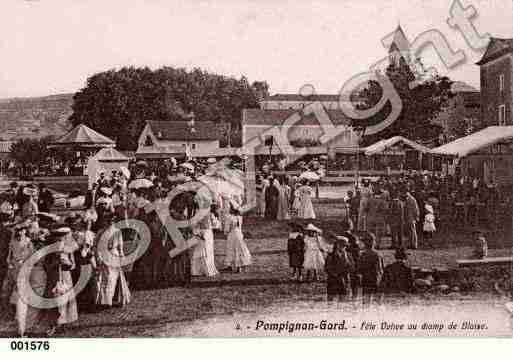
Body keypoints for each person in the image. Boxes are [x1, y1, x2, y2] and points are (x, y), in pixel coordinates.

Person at [44, 227, 78, 336]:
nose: (60, 241)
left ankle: (63, 324)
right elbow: (46, 265)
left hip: (65, 276)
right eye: (58, 238)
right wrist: (55, 263)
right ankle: (53, 325)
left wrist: (67, 264)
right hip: (54, 277)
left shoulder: (68, 249)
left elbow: (73, 265)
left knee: (65, 300)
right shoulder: (50, 250)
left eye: (62, 238)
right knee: (53, 300)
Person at [96, 218, 131, 307]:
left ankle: (119, 298)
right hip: (105, 255)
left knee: (115, 277)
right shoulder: (101, 232)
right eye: (107, 221)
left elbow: (120, 245)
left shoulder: (117, 231)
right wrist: (99, 256)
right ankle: (106, 300)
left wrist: (122, 256)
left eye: (111, 221)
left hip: (114, 255)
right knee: (106, 278)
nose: (109, 223)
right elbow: (97, 245)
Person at [223, 201, 252, 273]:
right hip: (239, 234)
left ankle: (229, 265)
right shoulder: (239, 217)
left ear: (232, 209)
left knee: (230, 249)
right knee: (239, 249)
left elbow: (227, 229)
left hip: (232, 234)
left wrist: (226, 233)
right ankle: (239, 267)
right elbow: (240, 227)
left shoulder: (229, 218)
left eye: (230, 208)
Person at [325, 237, 355, 302]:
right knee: (330, 301)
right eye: (341, 245)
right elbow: (327, 268)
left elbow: (352, 268)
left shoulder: (349, 255)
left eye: (344, 246)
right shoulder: (331, 255)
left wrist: (347, 261)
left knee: (343, 301)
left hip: (344, 280)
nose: (342, 247)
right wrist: (335, 274)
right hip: (333, 281)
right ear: (337, 245)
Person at [358, 232, 384, 305]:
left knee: (366, 304)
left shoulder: (362, 255)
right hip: (376, 281)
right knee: (378, 304)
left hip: (366, 281)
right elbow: (381, 269)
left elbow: (359, 269)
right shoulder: (378, 254)